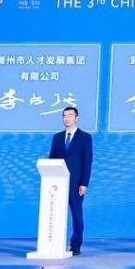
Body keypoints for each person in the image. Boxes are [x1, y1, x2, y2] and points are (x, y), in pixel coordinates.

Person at [48, 106, 92, 255]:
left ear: (76, 118)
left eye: (70, 115)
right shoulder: (57, 137)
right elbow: (52, 160)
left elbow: (87, 162)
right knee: (55, 213)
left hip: (76, 184)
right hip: (57, 184)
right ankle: (54, 243)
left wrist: (84, 183)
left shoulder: (85, 137)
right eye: (64, 116)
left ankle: (76, 244)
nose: (66, 118)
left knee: (77, 215)